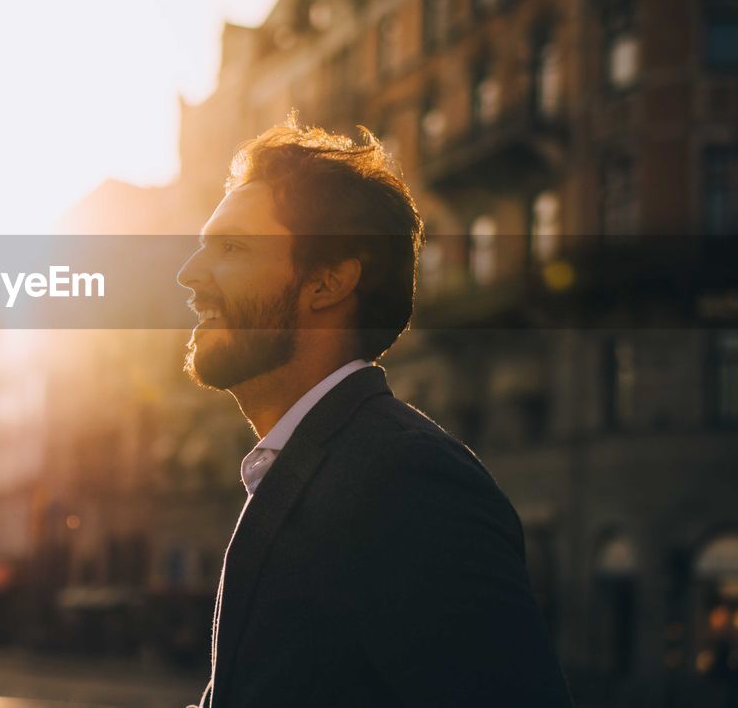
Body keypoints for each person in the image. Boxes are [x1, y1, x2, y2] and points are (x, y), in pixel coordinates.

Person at [176, 116, 573, 707]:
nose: (189, 275)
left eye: (232, 247)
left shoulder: (409, 481)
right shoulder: (311, 466)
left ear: (327, 283)